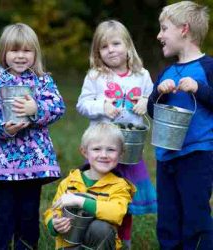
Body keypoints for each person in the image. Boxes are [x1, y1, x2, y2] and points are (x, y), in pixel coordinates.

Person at [0, 23, 65, 249]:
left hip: (34, 160)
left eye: (27, 51)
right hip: (3, 161)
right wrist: (4, 128)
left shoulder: (43, 80)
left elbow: (58, 107)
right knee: (4, 214)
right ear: (4, 53)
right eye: (14, 50)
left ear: (35, 54)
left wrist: (36, 110)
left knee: (28, 213)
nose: (21, 56)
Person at [76, 19, 157, 248]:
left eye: (116, 43)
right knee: (99, 196)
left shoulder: (141, 75)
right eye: (104, 46)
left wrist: (145, 101)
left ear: (128, 46)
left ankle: (125, 241)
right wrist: (102, 106)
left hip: (129, 150)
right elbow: (82, 104)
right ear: (97, 52)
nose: (111, 50)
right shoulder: (95, 76)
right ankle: (96, 238)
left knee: (125, 200)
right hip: (101, 149)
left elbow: (154, 102)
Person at [147, 1, 213, 249]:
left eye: (164, 29)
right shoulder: (166, 72)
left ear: (184, 29)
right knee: (168, 216)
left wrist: (200, 89)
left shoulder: (208, 67)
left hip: (198, 154)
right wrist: (159, 96)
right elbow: (154, 112)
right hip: (166, 156)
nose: (159, 35)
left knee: (195, 215)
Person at [44, 122, 136, 249]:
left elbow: (117, 212)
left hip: (99, 244)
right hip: (69, 245)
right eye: (96, 149)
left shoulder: (120, 186)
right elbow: (53, 210)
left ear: (121, 154)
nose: (103, 155)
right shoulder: (70, 182)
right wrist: (54, 224)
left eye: (111, 149)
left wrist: (80, 201)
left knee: (100, 228)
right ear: (85, 152)